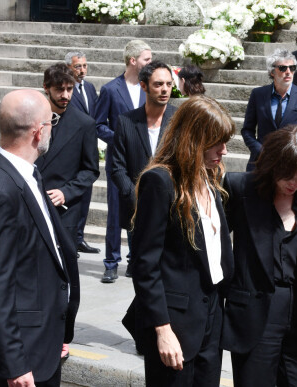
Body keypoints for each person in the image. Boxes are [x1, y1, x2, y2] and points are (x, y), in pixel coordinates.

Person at [123, 95, 235, 385]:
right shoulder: (160, 182)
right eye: (216, 142)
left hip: (211, 316)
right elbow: (145, 264)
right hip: (175, 322)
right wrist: (162, 329)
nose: (223, 150)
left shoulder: (211, 178)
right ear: (193, 139)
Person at [222, 125, 297, 387]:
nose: (294, 183)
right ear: (271, 165)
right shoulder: (241, 189)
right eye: (287, 176)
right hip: (255, 314)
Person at [0, 89, 80, 387]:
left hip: (45, 342)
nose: (52, 128)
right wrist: (14, 365)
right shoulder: (4, 189)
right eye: (51, 121)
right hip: (23, 360)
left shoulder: (29, 174)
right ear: (38, 132)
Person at [111, 61, 177, 281]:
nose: (165, 89)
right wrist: (135, 196)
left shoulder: (179, 120)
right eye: (158, 84)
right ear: (144, 86)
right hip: (136, 209)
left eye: (168, 84)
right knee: (142, 269)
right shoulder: (126, 121)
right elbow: (117, 166)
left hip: (172, 207)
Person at [94, 39, 152, 283]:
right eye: (147, 59)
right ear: (133, 60)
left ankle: (134, 260)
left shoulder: (148, 87)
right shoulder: (110, 89)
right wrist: (119, 137)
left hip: (145, 161)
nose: (151, 63)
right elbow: (97, 125)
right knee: (116, 213)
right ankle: (111, 262)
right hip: (118, 161)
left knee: (142, 212)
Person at [35, 63, 100, 250]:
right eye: (59, 89)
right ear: (46, 87)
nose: (65, 95)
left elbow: (90, 170)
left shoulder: (85, 124)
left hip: (65, 211)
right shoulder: (30, 118)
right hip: (31, 204)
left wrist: (66, 192)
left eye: (69, 89)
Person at [241, 49, 297, 171]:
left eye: (292, 68)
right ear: (272, 72)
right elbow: (247, 130)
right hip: (262, 162)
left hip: (292, 163)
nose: (288, 72)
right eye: (283, 68)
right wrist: (259, 150)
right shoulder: (258, 94)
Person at [65, 51, 101, 254]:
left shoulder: (89, 87)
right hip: (72, 150)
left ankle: (79, 237)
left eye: (84, 66)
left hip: (88, 150)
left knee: (86, 195)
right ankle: (68, 238)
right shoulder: (65, 89)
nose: (82, 70)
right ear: (68, 67)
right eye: (78, 66)